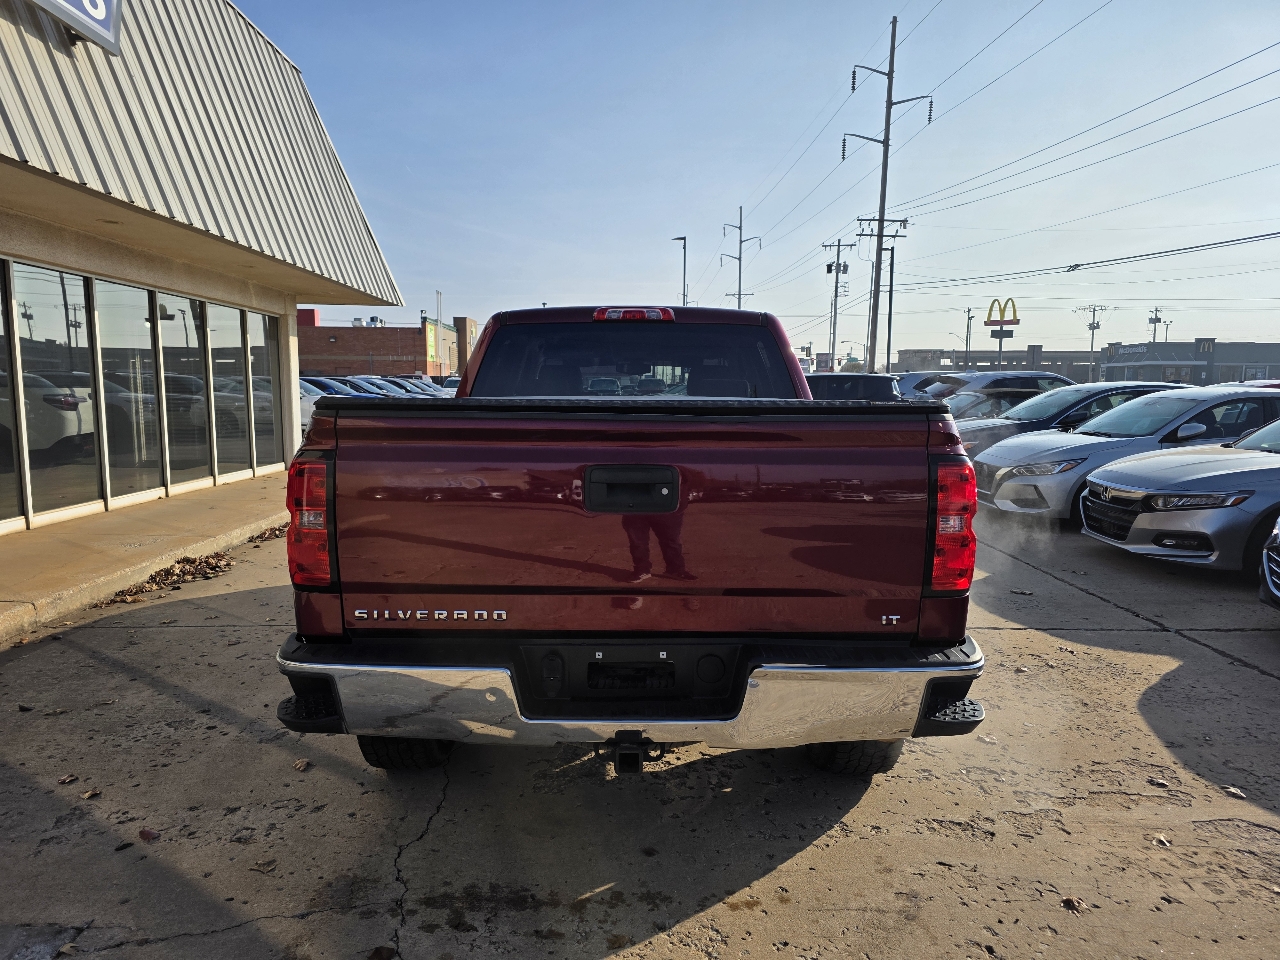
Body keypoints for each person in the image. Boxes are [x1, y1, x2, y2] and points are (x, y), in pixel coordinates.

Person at [621, 513, 697, 583]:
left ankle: (675, 570)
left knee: (671, 541)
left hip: (666, 508)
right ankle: (642, 569)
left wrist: (685, 499)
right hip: (636, 508)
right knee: (638, 543)